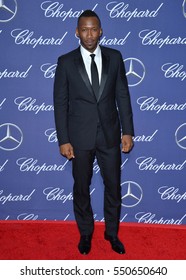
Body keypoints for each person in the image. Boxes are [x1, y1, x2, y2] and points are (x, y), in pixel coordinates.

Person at [53, 10, 134, 255]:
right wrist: (64, 139)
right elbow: (60, 103)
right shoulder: (66, 62)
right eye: (84, 29)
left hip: (110, 135)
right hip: (79, 139)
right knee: (81, 187)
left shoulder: (115, 57)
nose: (89, 34)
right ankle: (86, 233)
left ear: (101, 31)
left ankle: (112, 233)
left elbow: (122, 95)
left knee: (114, 187)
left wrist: (128, 131)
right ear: (77, 32)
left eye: (94, 29)